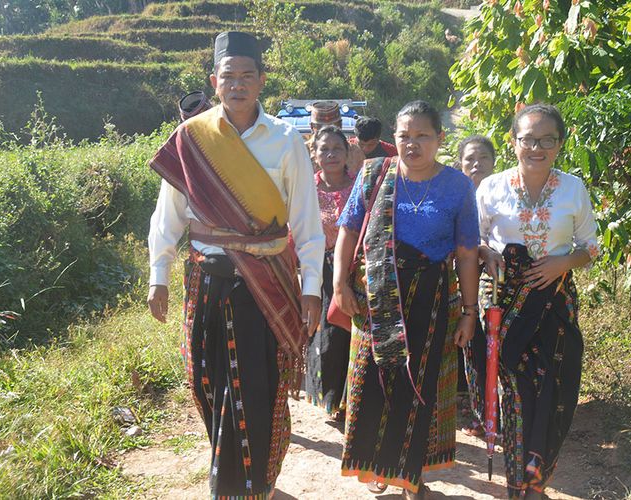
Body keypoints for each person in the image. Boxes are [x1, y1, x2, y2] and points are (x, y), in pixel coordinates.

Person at [146, 31, 325, 499]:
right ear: (215, 80)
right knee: (207, 385)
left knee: (256, 386)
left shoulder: (287, 141)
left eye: (248, 75)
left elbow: (306, 221)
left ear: (262, 80)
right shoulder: (192, 139)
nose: (239, 84)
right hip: (206, 279)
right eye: (230, 76)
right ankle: (230, 470)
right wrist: (158, 275)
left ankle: (249, 484)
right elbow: (169, 214)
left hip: (263, 285)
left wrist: (312, 288)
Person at [334, 100, 480, 499]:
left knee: (420, 387)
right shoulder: (373, 174)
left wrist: (470, 312)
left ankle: (412, 477)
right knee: (374, 383)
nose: (412, 144)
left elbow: (467, 252)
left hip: (432, 303)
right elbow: (348, 231)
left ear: (440, 138)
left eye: (422, 136)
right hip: (376, 297)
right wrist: (339, 286)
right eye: (403, 136)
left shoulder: (457, 186)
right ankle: (379, 466)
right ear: (392, 138)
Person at [476, 103, 599, 499]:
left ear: (560, 144)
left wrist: (562, 263)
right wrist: (485, 253)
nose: (537, 147)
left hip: (555, 298)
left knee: (556, 386)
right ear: (513, 142)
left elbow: (590, 248)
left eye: (547, 139)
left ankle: (536, 475)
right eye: (528, 138)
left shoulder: (573, 189)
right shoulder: (491, 187)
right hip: (502, 300)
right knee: (516, 388)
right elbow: (472, 239)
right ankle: (519, 480)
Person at [305, 125, 355, 420]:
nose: (331, 154)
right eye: (324, 149)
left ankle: (352, 400)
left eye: (337, 148)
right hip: (320, 270)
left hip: (355, 269)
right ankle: (331, 399)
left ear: (348, 153)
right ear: (314, 154)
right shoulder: (305, 189)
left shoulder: (360, 186)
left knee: (351, 333)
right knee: (326, 335)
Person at [454, 134, 497, 438]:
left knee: (493, 348)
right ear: (460, 163)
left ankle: (494, 412)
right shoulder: (455, 194)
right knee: (470, 347)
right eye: (470, 158)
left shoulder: (505, 193)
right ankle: (476, 409)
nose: (476, 164)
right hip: (459, 282)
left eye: (483, 157)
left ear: (494, 161)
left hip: (496, 283)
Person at [307, 100, 365, 174]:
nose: (327, 133)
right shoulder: (301, 152)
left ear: (340, 125)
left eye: (332, 128)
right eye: (321, 128)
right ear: (312, 127)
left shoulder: (355, 152)